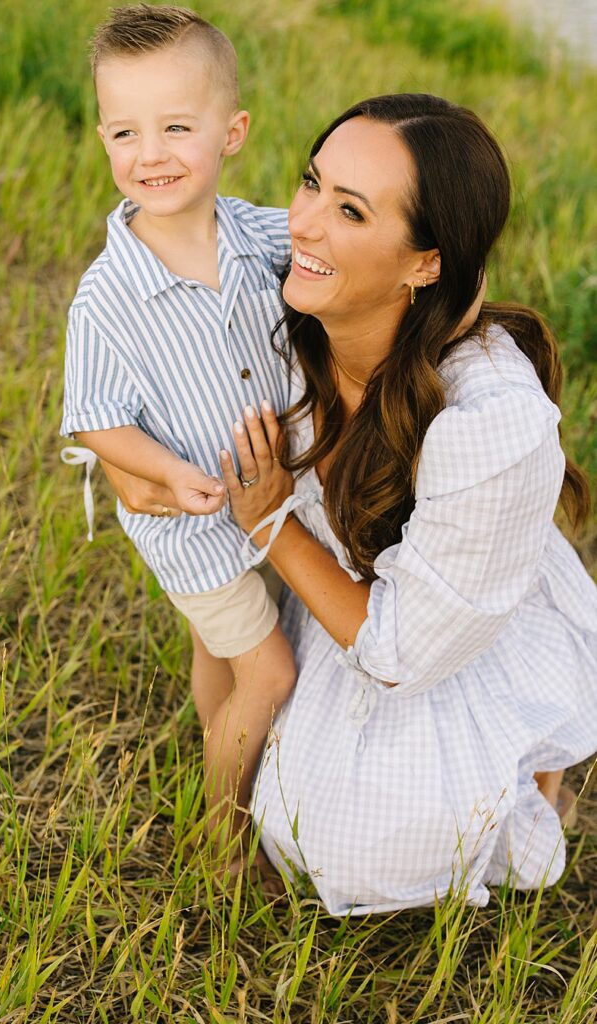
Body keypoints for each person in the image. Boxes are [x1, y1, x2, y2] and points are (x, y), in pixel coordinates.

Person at [211, 93, 597, 914]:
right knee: (293, 813)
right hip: (346, 591)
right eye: (310, 183)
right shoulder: (290, 296)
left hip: (440, 630)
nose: (304, 224)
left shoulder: (487, 423)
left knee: (355, 849)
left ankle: (529, 772)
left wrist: (269, 520)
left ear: (426, 262)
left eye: (349, 210)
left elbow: (399, 654)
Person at [59, 3, 297, 856]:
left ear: (230, 132)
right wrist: (166, 467)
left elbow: (325, 251)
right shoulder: (109, 296)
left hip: (270, 507)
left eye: (175, 127)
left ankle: (216, 729)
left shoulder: (257, 232)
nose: (149, 154)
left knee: (222, 652)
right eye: (125, 132)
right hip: (194, 529)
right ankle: (224, 834)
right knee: (271, 671)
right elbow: (96, 421)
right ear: (102, 139)